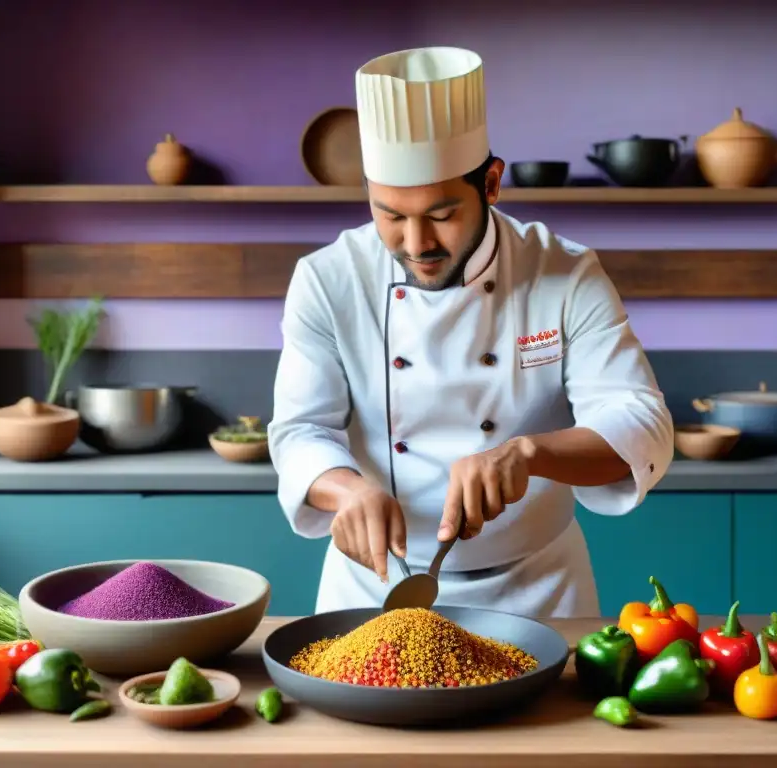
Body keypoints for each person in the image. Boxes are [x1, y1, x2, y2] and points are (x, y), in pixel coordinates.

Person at [268, 46, 674, 618]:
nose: (415, 245)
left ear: (490, 182)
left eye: (439, 215)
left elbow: (641, 423)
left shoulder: (563, 273)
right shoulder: (328, 279)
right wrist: (348, 490)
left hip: (540, 591)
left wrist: (528, 452)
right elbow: (299, 431)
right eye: (389, 215)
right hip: (374, 591)